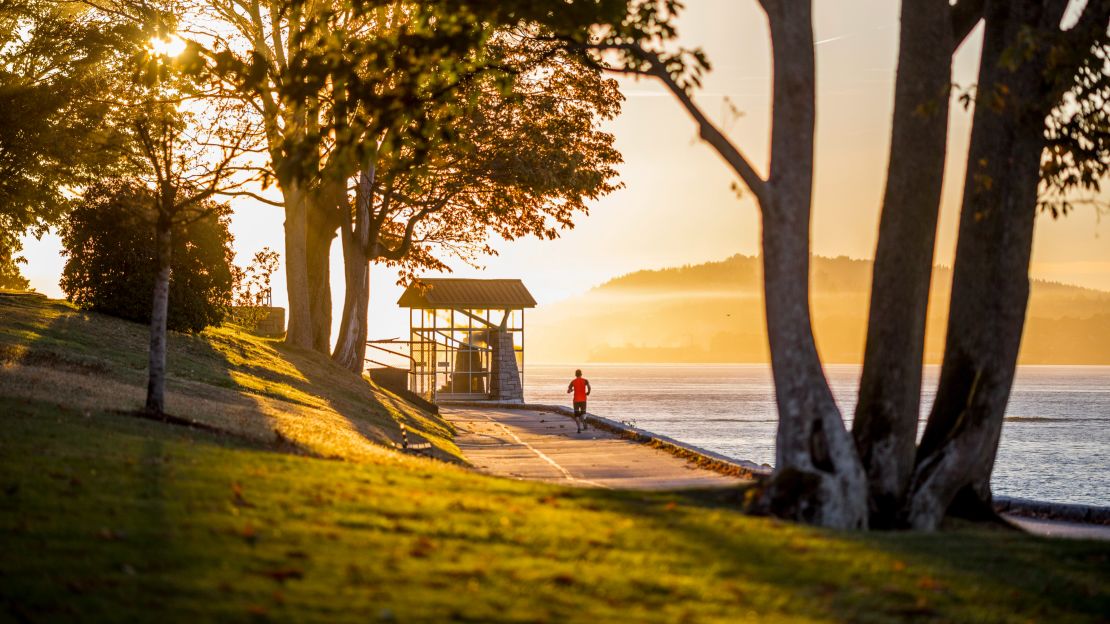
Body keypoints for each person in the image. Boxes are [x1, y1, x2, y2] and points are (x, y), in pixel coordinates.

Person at [567, 369, 591, 433]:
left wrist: (571, 390)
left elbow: (569, 391)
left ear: (575, 374)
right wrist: (588, 392)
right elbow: (589, 387)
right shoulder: (585, 381)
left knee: (576, 415)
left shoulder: (573, 381)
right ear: (581, 374)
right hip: (583, 399)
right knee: (583, 413)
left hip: (576, 400)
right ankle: (584, 420)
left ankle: (579, 428)